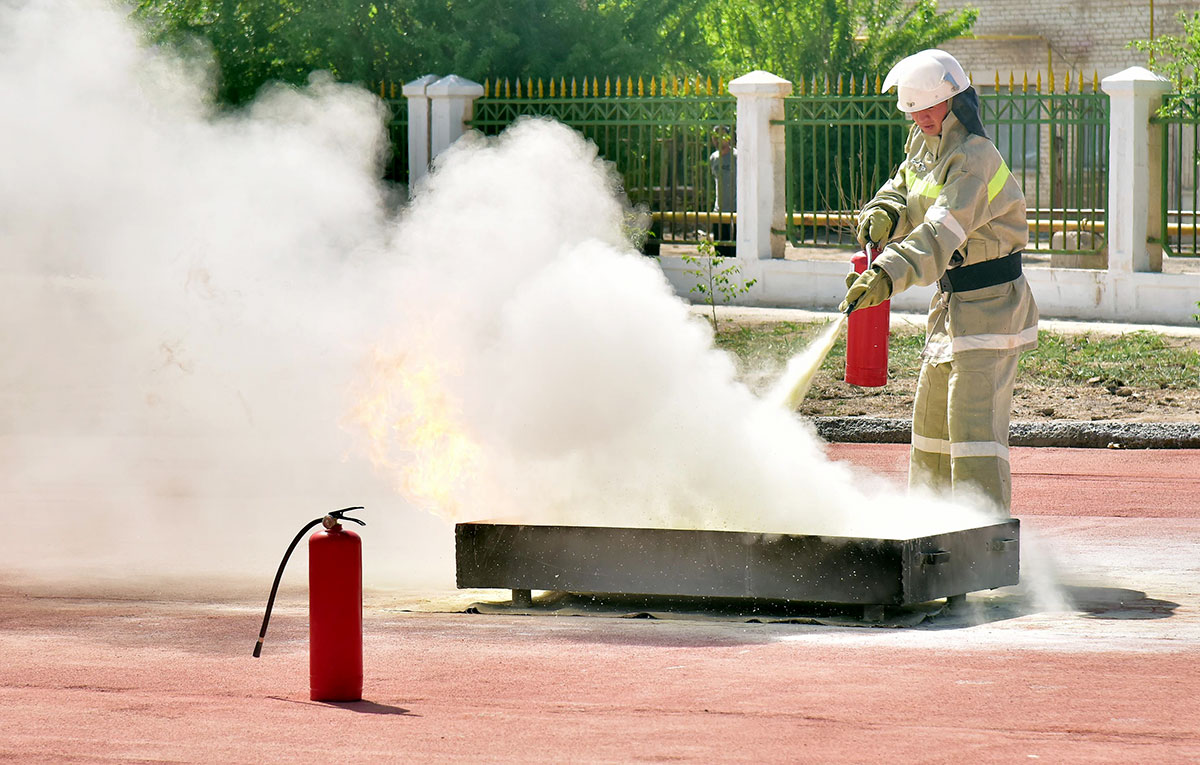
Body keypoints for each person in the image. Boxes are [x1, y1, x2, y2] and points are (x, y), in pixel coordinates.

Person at [839, 48, 1038, 515]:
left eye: (930, 106)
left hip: (991, 304)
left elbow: (937, 235)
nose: (922, 116)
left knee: (972, 433)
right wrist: (884, 208)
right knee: (929, 424)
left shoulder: (973, 159)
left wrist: (887, 273)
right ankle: (927, 530)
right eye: (913, 108)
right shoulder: (924, 144)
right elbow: (904, 185)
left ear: (954, 101)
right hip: (951, 306)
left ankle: (982, 547)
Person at [708, 126, 737, 257]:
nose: (717, 140)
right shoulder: (713, 158)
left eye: (721, 136)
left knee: (735, 251)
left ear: (729, 138)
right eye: (715, 137)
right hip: (718, 211)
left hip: (736, 212)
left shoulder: (737, 157)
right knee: (720, 253)